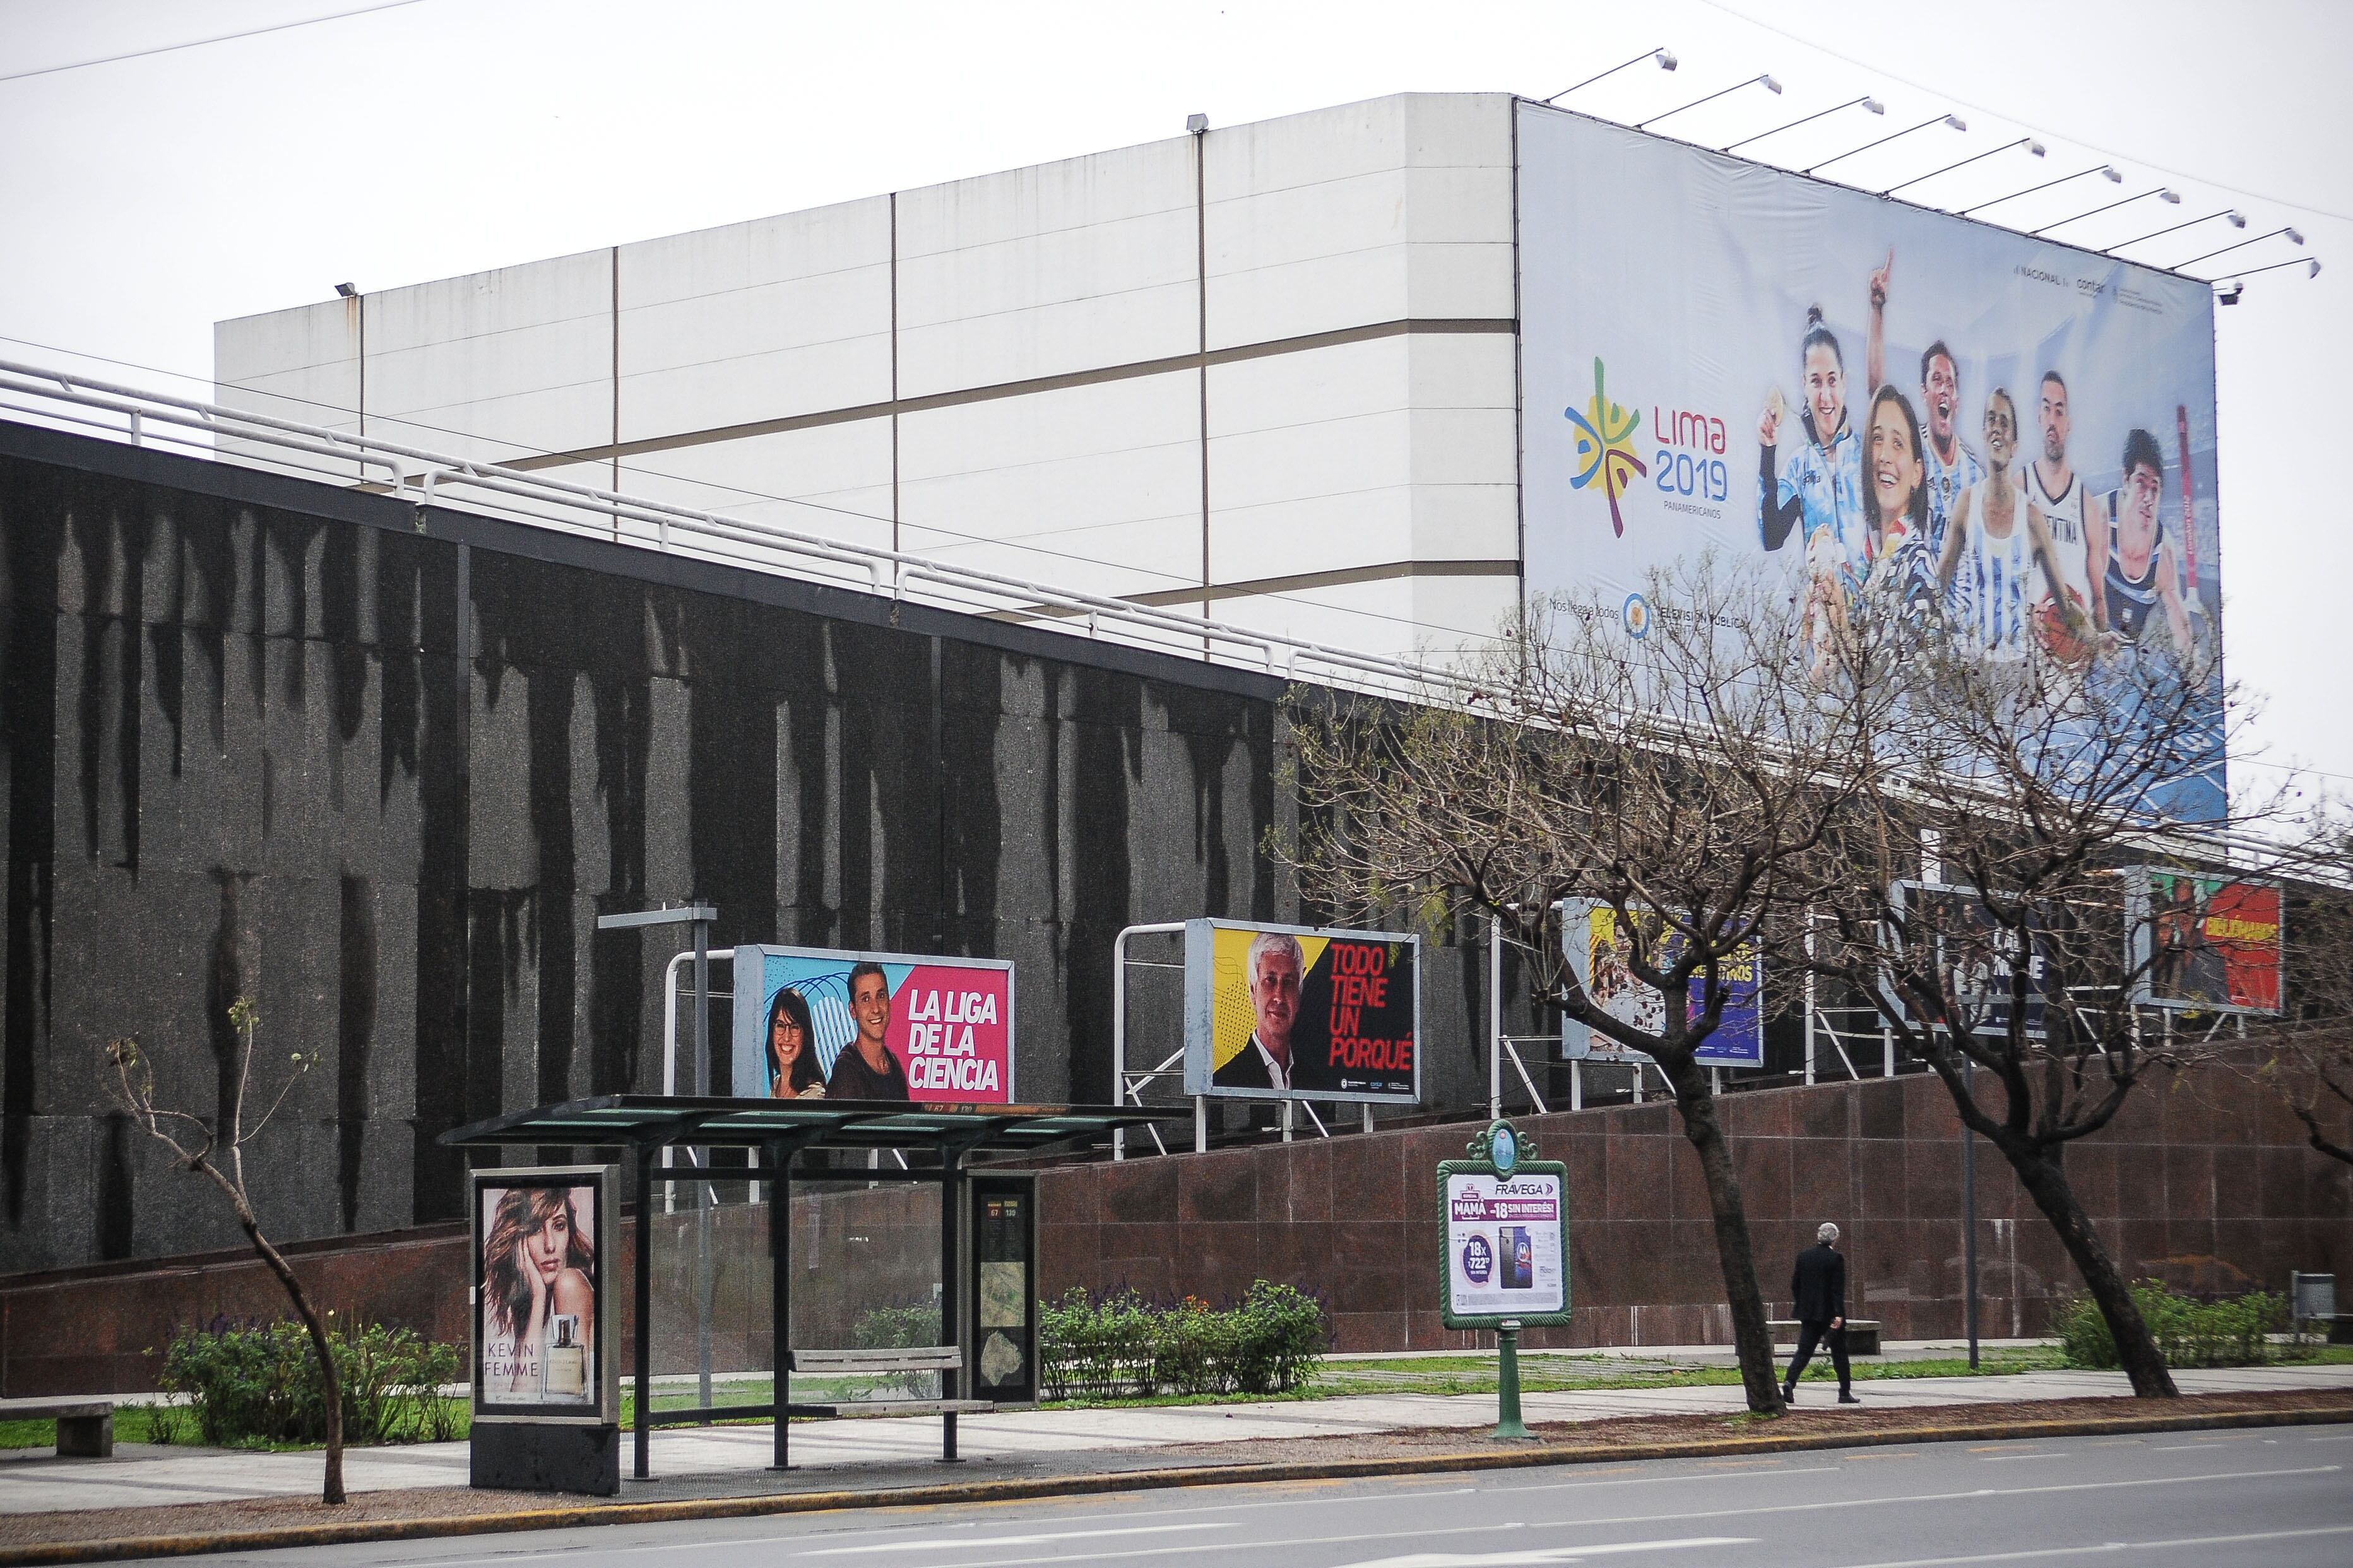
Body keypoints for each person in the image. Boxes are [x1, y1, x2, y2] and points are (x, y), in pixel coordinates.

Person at [1936, 389, 2090, 662]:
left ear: (2015, 444)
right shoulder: (1966, 504)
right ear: (1984, 433)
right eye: (1991, 421)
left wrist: (2097, 640)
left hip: (2017, 676)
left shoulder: (2031, 519)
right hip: (1973, 673)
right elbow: (1939, 586)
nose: (1997, 429)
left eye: (2004, 423)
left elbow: (2065, 608)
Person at [1757, 306, 1869, 660]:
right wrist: (1768, 453)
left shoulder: (1868, 453)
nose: (1826, 397)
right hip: (1825, 629)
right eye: (1816, 382)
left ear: (1845, 382)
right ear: (1804, 385)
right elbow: (1772, 535)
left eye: (1832, 381)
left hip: (1874, 624)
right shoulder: (1799, 464)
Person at [1866, 249, 1981, 563]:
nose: (1944, 389)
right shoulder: (1908, 450)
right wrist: (1877, 310)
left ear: (1956, 399)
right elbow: (1878, 398)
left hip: (1956, 608)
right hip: (1910, 596)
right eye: (1937, 380)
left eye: (1950, 384)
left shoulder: (1976, 477)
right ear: (1924, 392)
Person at [482, 1185, 596, 1398]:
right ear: (518, 1242)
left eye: (559, 1226)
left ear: (570, 1233)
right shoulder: (533, 1305)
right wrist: (538, 1297)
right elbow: (520, 1400)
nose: (550, 1245)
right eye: (535, 1230)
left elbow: (567, 1397)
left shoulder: (569, 1284)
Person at [2099, 428, 2195, 655]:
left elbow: (2177, 616)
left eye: (2155, 488)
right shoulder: (2098, 518)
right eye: (2141, 484)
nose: (2149, 499)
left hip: (2128, 659)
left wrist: (2193, 669)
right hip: (2090, 645)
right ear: (2126, 480)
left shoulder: (2163, 551)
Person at [2025, 372, 2104, 630]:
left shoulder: (2087, 507)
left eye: (2059, 412)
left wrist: (2102, 644)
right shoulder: (2020, 488)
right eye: (2047, 410)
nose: (2052, 420)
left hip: (2072, 661)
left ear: (2068, 423)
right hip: (2026, 659)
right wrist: (2027, 614)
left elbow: (2099, 600)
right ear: (2038, 417)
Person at [1855, 384, 1933, 621]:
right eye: (1877, 439)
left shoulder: (1916, 567)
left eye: (1898, 443)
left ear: (1917, 473)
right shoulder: (1869, 556)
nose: (1885, 456)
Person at [1214, 930, 1317, 1091]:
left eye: (1288, 982)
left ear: (1299, 991)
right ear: (1253, 990)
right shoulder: (1224, 1082)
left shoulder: (1315, 1082)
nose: (1279, 997)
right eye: (1270, 980)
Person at [1784, 1222, 1859, 1405]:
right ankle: (1844, 1392)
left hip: (1809, 1314)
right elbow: (1836, 1291)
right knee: (1840, 1353)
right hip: (1830, 1315)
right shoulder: (1836, 1259)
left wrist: (1804, 1304)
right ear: (1835, 1238)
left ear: (1818, 1236)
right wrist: (1839, 1314)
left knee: (1804, 1351)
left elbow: (1796, 1285)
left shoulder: (1804, 1257)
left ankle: (1789, 1382)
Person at [824, 960, 910, 1100]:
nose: (876, 1008)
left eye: (880, 996)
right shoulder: (846, 1069)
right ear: (853, 1010)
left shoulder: (893, 1063)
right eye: (866, 999)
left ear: (889, 1004)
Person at [765, 986, 825, 1098]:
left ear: (805, 1034)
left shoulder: (814, 1095)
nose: (787, 1037)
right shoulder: (777, 1083)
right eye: (780, 1025)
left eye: (795, 1027)